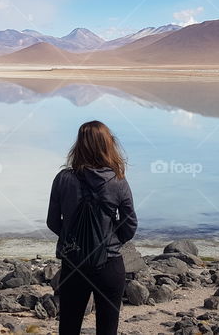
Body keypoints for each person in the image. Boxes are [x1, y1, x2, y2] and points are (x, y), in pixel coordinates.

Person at [47, 120, 138, 335]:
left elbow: (52, 222)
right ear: (108, 144)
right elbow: (130, 225)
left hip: (73, 264)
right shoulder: (118, 181)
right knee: (107, 329)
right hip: (109, 263)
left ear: (78, 145)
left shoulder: (63, 179)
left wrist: (72, 236)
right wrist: (111, 240)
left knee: (69, 327)